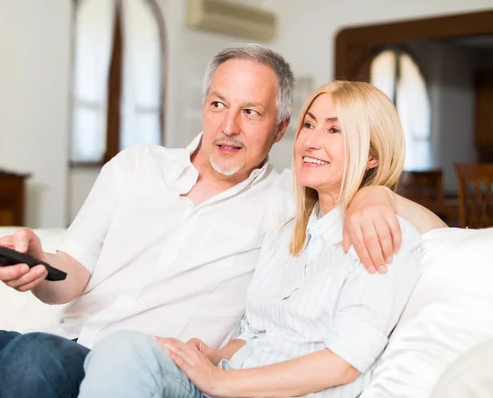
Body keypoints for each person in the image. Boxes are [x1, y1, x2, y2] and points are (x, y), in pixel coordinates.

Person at [0, 45, 444, 398]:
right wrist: (37, 263)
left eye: (250, 112)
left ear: (277, 131)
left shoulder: (286, 201)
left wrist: (375, 195)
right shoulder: (135, 167)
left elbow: (410, 216)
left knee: (32, 357)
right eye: (217, 105)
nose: (227, 127)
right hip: (62, 352)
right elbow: (72, 276)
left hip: (146, 371)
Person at [79, 80, 424, 398]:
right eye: (309, 124)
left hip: (249, 390)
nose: (311, 141)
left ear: (372, 155)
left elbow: (344, 362)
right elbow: (251, 335)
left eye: (334, 129)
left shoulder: (383, 235)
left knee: (123, 353)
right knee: (124, 348)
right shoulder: (285, 237)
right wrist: (213, 356)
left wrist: (221, 381)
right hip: (227, 383)